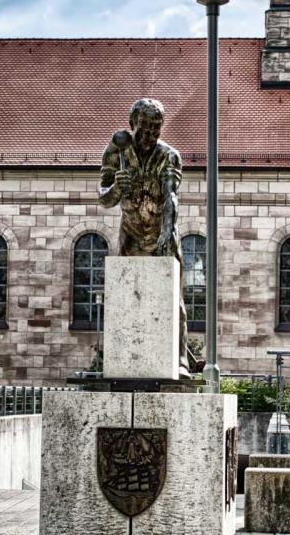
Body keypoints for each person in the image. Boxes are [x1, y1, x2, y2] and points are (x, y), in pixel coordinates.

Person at [98, 98, 188, 374]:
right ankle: (124, 360)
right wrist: (116, 188)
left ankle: (181, 360)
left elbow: (171, 197)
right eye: (145, 126)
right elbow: (104, 198)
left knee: (174, 300)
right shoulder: (116, 150)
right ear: (132, 124)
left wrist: (166, 234)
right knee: (126, 294)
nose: (150, 133)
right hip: (132, 232)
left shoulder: (169, 156)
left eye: (156, 128)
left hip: (162, 230)